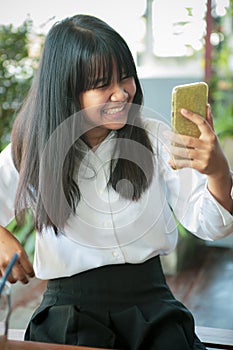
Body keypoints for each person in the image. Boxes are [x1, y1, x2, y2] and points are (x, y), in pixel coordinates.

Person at [0, 14, 232, 350]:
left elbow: (210, 226)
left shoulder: (153, 137)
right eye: (102, 85)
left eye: (126, 78)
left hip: (154, 312)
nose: (121, 94)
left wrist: (218, 172)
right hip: (68, 318)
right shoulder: (30, 149)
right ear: (66, 88)